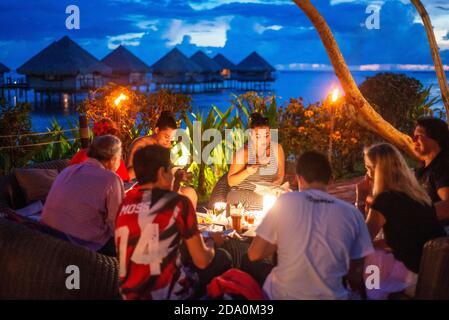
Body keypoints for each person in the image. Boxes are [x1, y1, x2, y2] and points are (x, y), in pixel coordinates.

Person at [242, 151, 373, 300]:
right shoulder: (352, 213)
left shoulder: (285, 202)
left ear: (299, 178)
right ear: (331, 180)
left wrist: (282, 242)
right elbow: (357, 268)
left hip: (283, 295)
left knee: (246, 261)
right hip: (334, 296)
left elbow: (254, 254)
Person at [115, 145, 232, 300]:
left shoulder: (124, 204)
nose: (172, 173)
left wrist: (176, 181)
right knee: (222, 258)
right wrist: (212, 242)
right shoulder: (179, 203)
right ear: (161, 172)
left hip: (129, 295)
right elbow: (202, 260)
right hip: (169, 294)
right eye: (170, 169)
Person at [362, 143, 446, 299]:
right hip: (434, 270)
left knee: (371, 259)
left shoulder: (384, 200)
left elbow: (362, 242)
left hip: (411, 277)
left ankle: (372, 295)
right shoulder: (419, 196)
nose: (367, 175)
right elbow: (409, 234)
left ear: (378, 171)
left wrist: (360, 198)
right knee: (378, 253)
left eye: (368, 168)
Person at [42, 135, 125, 256]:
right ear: (112, 159)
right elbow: (116, 223)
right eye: (120, 157)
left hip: (48, 237)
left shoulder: (68, 170)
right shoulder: (111, 179)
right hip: (82, 247)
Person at [127, 111, 197, 208]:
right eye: (166, 137)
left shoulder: (165, 146)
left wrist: (178, 172)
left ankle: (185, 221)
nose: (168, 141)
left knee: (190, 193)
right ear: (156, 130)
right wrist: (150, 162)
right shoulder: (141, 144)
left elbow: (167, 168)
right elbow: (129, 175)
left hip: (160, 184)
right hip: (141, 185)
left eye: (171, 139)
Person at [227, 113, 285, 210]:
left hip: (268, 192)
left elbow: (280, 175)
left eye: (266, 135)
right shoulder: (244, 152)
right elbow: (231, 181)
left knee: (287, 201)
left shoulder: (277, 149)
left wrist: (275, 186)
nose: (264, 140)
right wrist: (247, 172)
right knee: (269, 203)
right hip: (242, 192)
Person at [413, 117, 449, 222]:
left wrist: (411, 215)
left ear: (435, 138)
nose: (413, 140)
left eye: (418, 136)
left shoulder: (443, 167)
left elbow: (447, 206)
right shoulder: (421, 169)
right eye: (413, 136)